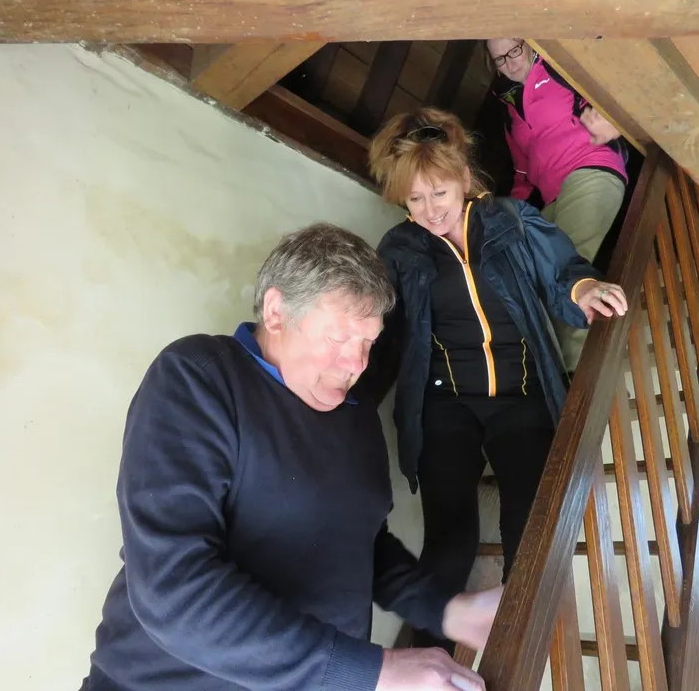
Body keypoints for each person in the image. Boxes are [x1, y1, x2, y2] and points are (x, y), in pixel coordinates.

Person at [79, 223, 502, 691]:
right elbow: (172, 588)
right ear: (277, 312)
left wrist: (447, 609)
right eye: (339, 338)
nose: (357, 364)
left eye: (368, 343)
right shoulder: (200, 378)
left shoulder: (357, 415)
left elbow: (360, 545)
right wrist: (372, 671)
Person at [363, 109, 628, 650]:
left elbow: (562, 271)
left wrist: (585, 291)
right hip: (445, 405)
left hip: (520, 395)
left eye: (439, 192)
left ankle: (514, 648)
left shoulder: (511, 220)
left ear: (464, 179)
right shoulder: (400, 248)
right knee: (449, 543)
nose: (430, 210)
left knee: (527, 533)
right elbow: (384, 332)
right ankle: (425, 666)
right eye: (416, 199)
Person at [485, 38, 629, 372]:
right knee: (531, 273)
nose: (509, 63)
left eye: (514, 50)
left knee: (568, 268)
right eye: (499, 59)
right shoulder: (509, 109)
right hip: (551, 196)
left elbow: (619, 91)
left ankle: (575, 373)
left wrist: (615, 119)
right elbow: (523, 173)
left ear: (529, 42)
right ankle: (546, 369)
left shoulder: (561, 67)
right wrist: (511, 214)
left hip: (590, 168)